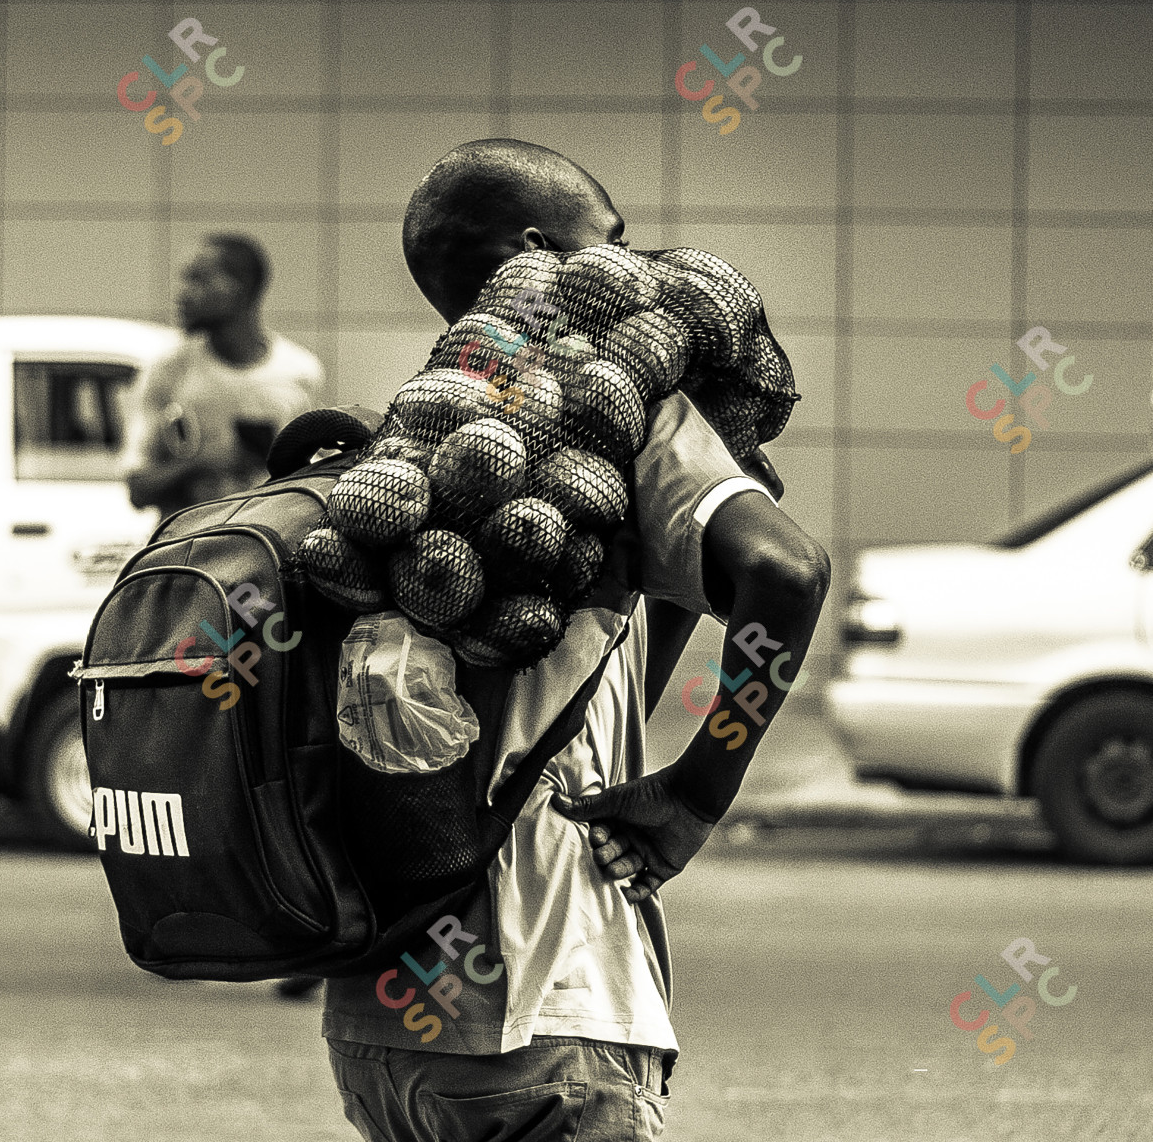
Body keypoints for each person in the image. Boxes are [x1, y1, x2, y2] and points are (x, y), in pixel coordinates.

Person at [321, 139, 830, 1142]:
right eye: (615, 240)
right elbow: (788, 574)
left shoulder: (409, 445)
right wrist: (698, 791)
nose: (635, 266)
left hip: (384, 1031)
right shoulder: (625, 413)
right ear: (542, 255)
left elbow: (603, 663)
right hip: (549, 1013)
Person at [124, 233, 325, 520]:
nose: (183, 293)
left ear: (240, 288)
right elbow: (138, 489)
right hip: (187, 545)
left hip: (266, 542)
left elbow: (315, 486)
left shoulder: (300, 373)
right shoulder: (168, 370)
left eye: (198, 280)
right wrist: (202, 464)